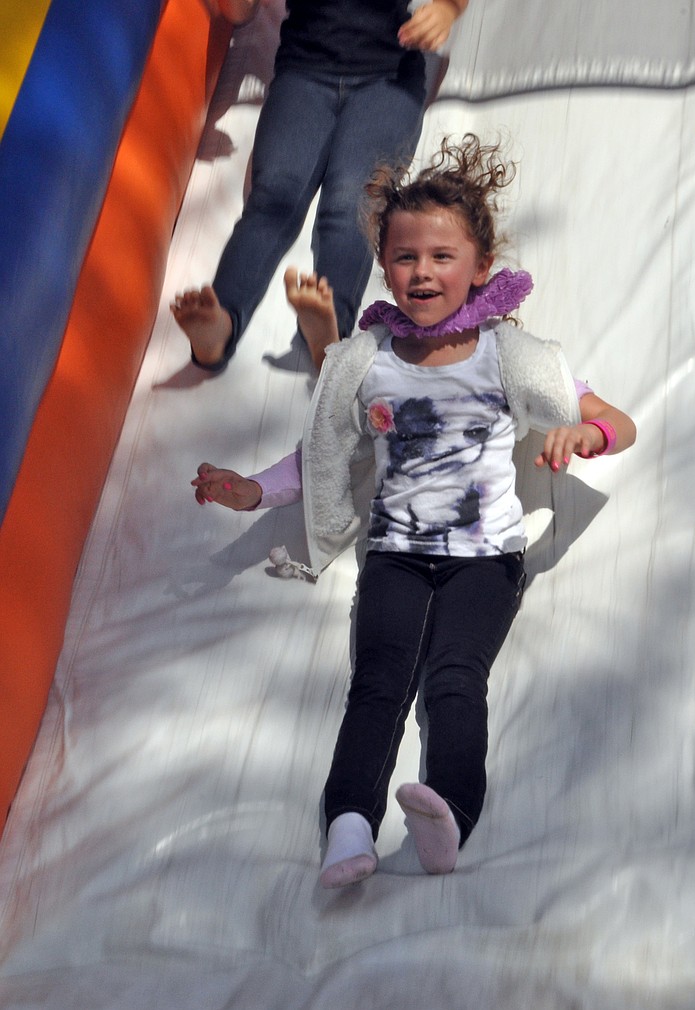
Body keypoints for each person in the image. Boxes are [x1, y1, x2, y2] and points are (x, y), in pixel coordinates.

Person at [190, 135, 637, 888]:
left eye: (441, 256)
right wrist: (253, 490)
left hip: (485, 564)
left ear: (479, 268)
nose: (422, 272)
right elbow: (326, 454)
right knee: (377, 682)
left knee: (455, 678)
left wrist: (582, 432)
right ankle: (349, 828)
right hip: (395, 557)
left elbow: (619, 422)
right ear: (385, 267)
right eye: (405, 257)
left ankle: (449, 815)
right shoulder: (368, 361)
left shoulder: (510, 356)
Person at [171, 0, 468, 373]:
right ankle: (221, 322)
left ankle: (332, 333)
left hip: (387, 79)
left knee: (351, 203)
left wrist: (447, 10)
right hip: (303, 73)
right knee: (272, 198)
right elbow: (239, 13)